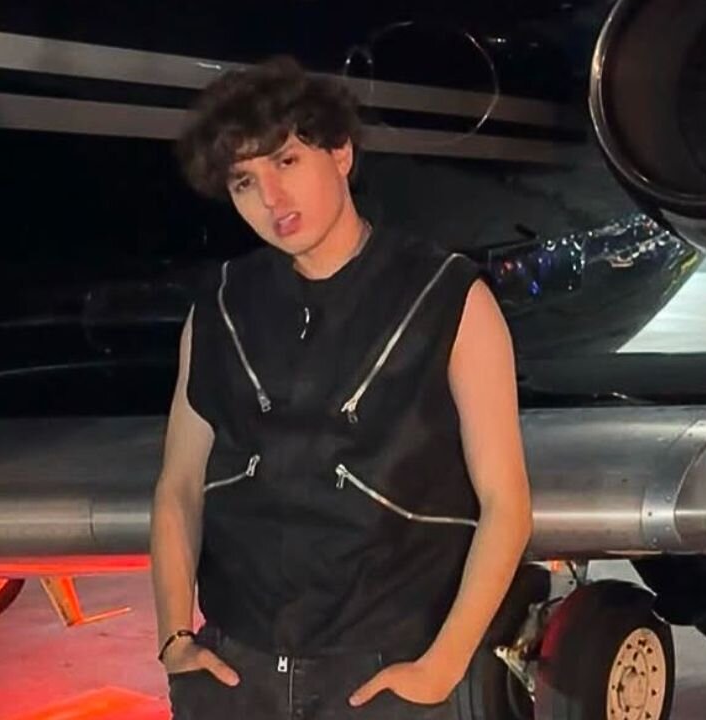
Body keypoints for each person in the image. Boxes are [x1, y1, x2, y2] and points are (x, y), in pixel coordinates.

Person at [149, 55, 532, 719]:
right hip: (237, 672)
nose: (271, 199)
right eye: (245, 182)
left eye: (287, 161)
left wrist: (441, 667)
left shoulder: (448, 297)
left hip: (384, 672)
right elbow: (179, 487)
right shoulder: (222, 305)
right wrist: (175, 639)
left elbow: (507, 504)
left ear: (341, 152)